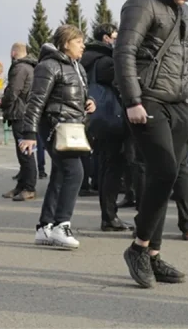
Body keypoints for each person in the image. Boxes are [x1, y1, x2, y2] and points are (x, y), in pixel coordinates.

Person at [115, 0, 188, 288]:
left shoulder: (186, 12)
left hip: (178, 104)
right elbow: (124, 51)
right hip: (148, 99)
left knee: (167, 177)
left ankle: (153, 254)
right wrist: (133, 100)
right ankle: (138, 247)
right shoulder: (142, 3)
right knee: (164, 170)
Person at [21, 25, 96, 250]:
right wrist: (29, 134)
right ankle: (61, 224)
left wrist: (89, 102)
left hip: (73, 126)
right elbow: (36, 101)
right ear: (65, 43)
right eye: (78, 41)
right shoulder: (49, 66)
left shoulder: (77, 67)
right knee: (75, 172)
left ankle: (45, 227)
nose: (83, 45)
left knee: (61, 175)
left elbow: (75, 95)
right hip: (56, 126)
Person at [80, 23, 132, 231]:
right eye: (114, 36)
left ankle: (108, 215)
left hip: (99, 122)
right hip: (112, 121)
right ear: (106, 39)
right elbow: (123, 82)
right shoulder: (105, 63)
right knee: (112, 168)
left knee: (105, 167)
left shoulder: (90, 59)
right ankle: (109, 217)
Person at [0, 42, 39, 202]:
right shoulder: (28, 67)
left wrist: (4, 103)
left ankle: (29, 187)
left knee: (26, 153)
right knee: (22, 152)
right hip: (23, 113)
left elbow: (13, 91)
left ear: (14, 52)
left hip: (21, 114)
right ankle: (21, 186)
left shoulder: (20, 68)